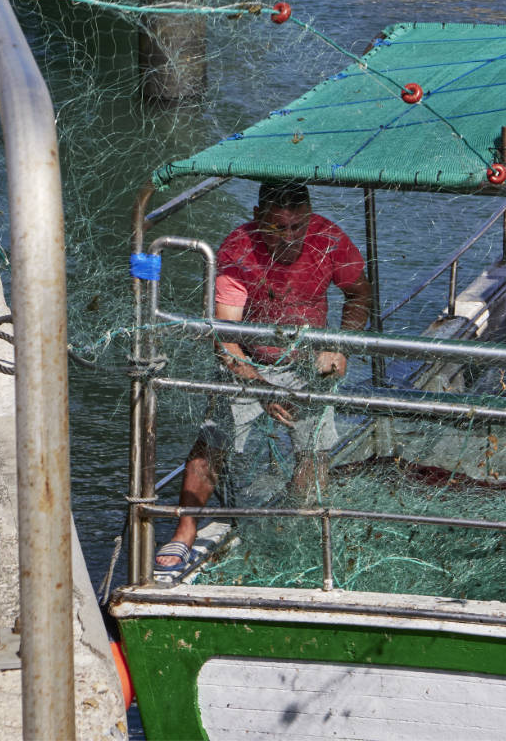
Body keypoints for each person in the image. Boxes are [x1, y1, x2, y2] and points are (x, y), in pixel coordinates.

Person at [156, 182, 371, 580]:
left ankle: (294, 521)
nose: (289, 237)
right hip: (248, 361)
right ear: (259, 218)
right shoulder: (238, 249)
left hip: (310, 359)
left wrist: (339, 347)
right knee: (214, 440)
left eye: (297, 226)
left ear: (309, 217)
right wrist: (260, 387)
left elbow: (358, 293)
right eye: (279, 227)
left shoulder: (329, 238)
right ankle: (184, 531)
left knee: (314, 449)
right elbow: (226, 338)